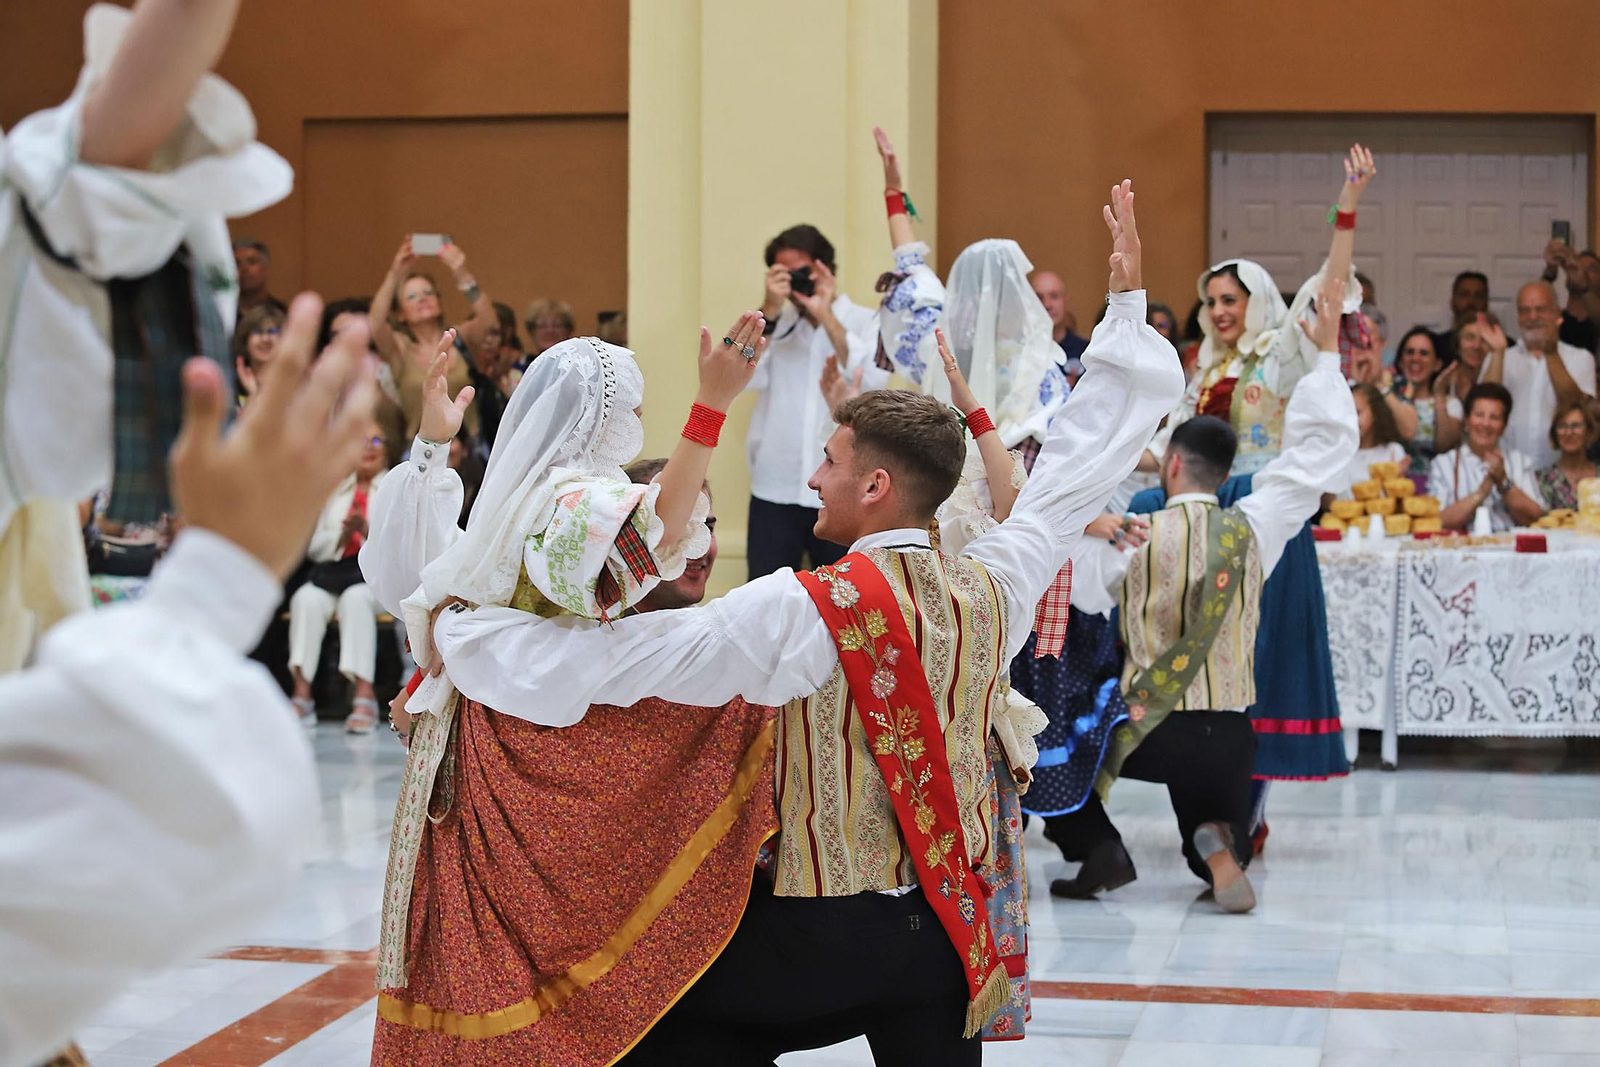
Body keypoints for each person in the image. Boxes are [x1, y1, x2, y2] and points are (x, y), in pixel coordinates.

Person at [412, 183, 1183, 1064]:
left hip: (826, 940)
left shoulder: (800, 608)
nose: (811, 477)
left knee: (653, 1010)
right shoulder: (996, 581)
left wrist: (464, 635)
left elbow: (615, 663)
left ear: (875, 486)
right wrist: (1125, 318)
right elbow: (1073, 475)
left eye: (828, 460)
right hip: (952, 937)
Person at [360, 315, 779, 1067]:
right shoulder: (566, 497)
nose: (639, 420)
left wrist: (430, 444)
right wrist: (711, 405)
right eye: (633, 408)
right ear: (599, 416)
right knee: (522, 948)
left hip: (493, 740)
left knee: (482, 942)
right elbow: (643, 546)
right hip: (518, 752)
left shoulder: (525, 498)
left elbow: (423, 579)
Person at [1050, 275, 1356, 909]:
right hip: (1234, 734)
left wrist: (1089, 522)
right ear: (1225, 473)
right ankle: (1217, 843)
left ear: (1170, 464)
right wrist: (1327, 357)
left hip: (1150, 731)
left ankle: (1096, 844)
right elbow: (1316, 459)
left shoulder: (1132, 538)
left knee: (1050, 745)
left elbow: (1070, 578)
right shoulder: (1255, 526)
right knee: (1212, 806)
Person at [1143, 146, 1373, 833]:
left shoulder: (1282, 351)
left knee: (1262, 659)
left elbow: (1332, 285)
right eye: (1211, 301)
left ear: (1256, 302)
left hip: (1266, 512)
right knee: (1211, 661)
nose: (1218, 311)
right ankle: (1219, 802)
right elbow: (1169, 448)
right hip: (1202, 518)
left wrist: (1347, 205)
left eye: (1230, 299)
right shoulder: (1201, 370)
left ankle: (1250, 805)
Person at [748, 223, 881, 579]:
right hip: (775, 483)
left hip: (845, 489)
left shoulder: (865, 321)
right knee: (764, 594)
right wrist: (769, 310)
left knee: (846, 593)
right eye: (783, 273)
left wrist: (825, 315)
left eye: (802, 271)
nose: (794, 281)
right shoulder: (773, 325)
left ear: (825, 269)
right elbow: (743, 376)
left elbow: (872, 380)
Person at [287, 424, 391, 733]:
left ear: (387, 446)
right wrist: (341, 537)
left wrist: (367, 532)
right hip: (334, 573)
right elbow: (313, 546)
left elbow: (400, 547)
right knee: (305, 598)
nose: (369, 447)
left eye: (376, 439)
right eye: (361, 441)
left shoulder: (394, 487)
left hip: (375, 580)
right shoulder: (334, 489)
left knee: (355, 599)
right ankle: (302, 694)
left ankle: (364, 694)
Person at [369, 237, 495, 441]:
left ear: (439, 303)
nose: (422, 298)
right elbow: (375, 325)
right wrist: (394, 274)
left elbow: (489, 324)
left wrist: (462, 274)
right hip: (420, 449)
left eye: (428, 292)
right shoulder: (400, 349)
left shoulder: (459, 337)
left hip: (470, 450)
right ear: (400, 314)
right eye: (412, 296)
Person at [1482, 281, 1597, 469]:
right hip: (1507, 472)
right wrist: (1496, 355)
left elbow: (1575, 407)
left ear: (1557, 313)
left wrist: (1551, 353)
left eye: (1540, 309)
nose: (1532, 317)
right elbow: (1484, 408)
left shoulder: (1580, 358)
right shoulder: (1500, 357)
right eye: (1525, 311)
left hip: (1560, 475)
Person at [1431, 382, 1545, 532]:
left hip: (1511, 544)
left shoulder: (1520, 462)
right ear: (1466, 421)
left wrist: (1503, 482)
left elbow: (1536, 517)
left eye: (1494, 417)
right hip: (1463, 544)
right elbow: (1439, 521)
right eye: (1479, 415)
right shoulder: (1443, 464)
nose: (1486, 423)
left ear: (1504, 427)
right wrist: (1481, 492)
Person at [1433, 311, 1503, 453]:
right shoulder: (1445, 380)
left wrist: (1498, 354)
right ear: (1458, 344)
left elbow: (1489, 396)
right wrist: (1440, 394)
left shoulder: (1503, 375)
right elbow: (1444, 444)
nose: (1476, 346)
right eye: (1470, 338)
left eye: (1484, 340)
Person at [1348, 307, 1420, 443]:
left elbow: (1409, 431)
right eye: (1354, 334)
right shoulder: (1337, 381)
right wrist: (1355, 384)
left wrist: (1379, 385)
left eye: (1366, 333)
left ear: (1382, 343)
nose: (1361, 340)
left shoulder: (1399, 383)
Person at [1391, 325, 1447, 469]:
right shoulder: (1388, 399)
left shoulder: (1449, 403)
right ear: (1400, 361)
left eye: (1424, 353)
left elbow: (1445, 446)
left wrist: (1439, 397)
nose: (1415, 358)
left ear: (1437, 364)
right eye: (1410, 352)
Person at [1339, 383, 1408, 496]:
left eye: (1357, 412)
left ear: (1376, 412)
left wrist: (1397, 480)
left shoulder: (1393, 451)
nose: (1351, 420)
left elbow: (1398, 499)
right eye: (1347, 414)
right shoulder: (1340, 454)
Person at [1534, 398, 1599, 511]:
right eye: (1562, 426)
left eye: (1575, 426)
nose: (1568, 433)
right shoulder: (1542, 480)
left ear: (1588, 432)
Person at [1031, 268, 1089, 383]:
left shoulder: (1087, 352)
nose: (1047, 304)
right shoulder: (1022, 353)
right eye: (1039, 298)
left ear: (1065, 300)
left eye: (1054, 296)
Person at [1541, 239, 1600, 353]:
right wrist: (1549, 274)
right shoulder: (1558, 321)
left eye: (1592, 269)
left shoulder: (1595, 322)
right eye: (1579, 267)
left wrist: (1582, 287)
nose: (1583, 272)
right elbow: (1534, 306)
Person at [1436, 270, 1490, 363]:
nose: (1471, 302)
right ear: (1452, 302)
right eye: (1464, 295)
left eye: (1478, 296)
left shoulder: (1504, 346)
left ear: (1486, 304)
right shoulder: (1437, 346)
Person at [233, 303, 284, 401]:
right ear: (245, 341)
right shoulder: (230, 384)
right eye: (258, 331)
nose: (265, 338)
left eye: (272, 331)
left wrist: (254, 394)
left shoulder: (292, 384)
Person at [233, 237, 286, 315]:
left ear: (265, 268)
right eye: (237, 264)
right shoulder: (223, 314)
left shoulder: (283, 313)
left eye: (251, 262)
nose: (244, 269)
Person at [522, 297, 576, 361]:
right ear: (532, 331)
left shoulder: (580, 364)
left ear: (569, 330)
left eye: (557, 325)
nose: (550, 331)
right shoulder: (523, 364)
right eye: (542, 326)